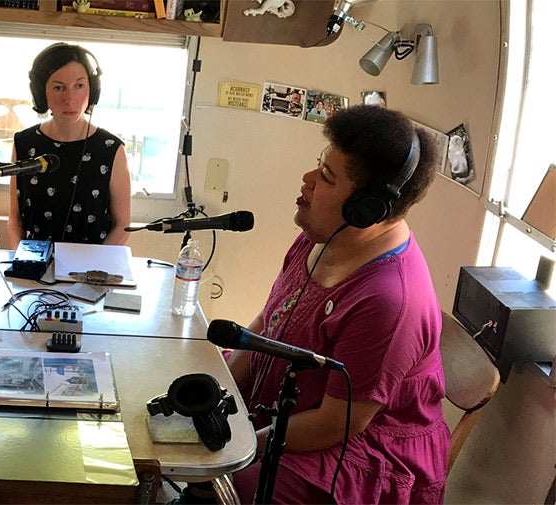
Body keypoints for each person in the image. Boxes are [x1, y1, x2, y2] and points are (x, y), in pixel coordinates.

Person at [184, 105, 448, 504]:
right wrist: (217, 387)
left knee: (239, 483)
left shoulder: (390, 300)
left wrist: (238, 449)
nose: (307, 181)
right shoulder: (321, 234)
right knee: (187, 409)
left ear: (368, 209)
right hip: (291, 410)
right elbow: (268, 323)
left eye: (326, 177)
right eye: (317, 166)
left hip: (351, 446)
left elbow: (335, 424)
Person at [7, 42, 131, 248]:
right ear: (41, 92)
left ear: (92, 90)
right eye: (58, 87)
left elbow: (122, 226)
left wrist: (90, 273)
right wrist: (20, 264)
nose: (70, 99)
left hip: (92, 270)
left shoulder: (111, 149)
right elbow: (15, 220)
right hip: (35, 268)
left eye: (79, 86)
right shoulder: (24, 143)